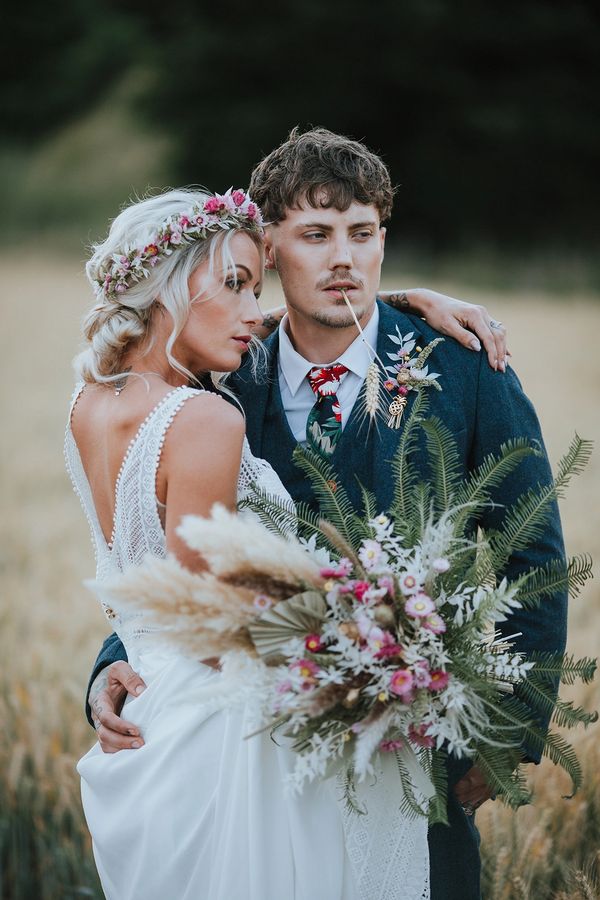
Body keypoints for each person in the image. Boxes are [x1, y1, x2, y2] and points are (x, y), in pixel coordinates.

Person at [79, 129, 566, 899]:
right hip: (253, 762)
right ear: (267, 252)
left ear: (383, 242)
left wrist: (508, 735)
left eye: (363, 235)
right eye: (315, 235)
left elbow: (534, 556)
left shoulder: (465, 367)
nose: (344, 258)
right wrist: (113, 661)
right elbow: (173, 549)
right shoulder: (223, 381)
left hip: (413, 756)